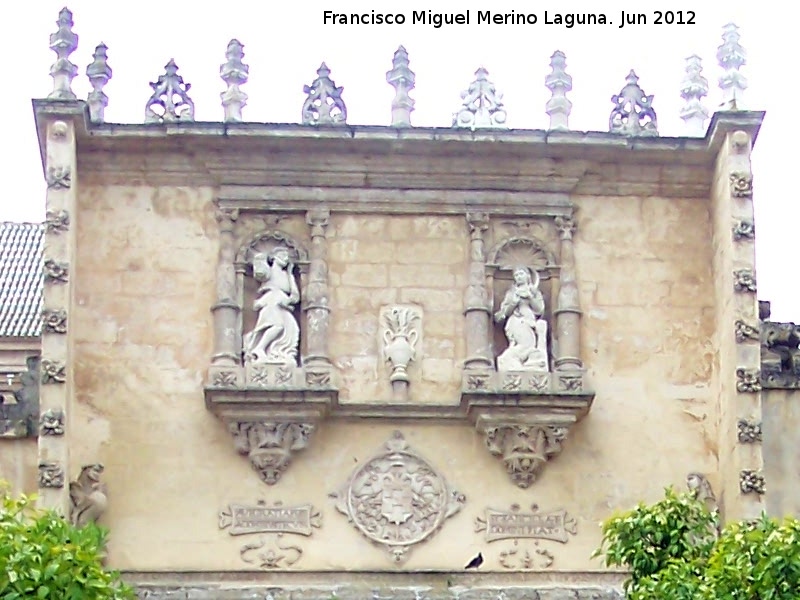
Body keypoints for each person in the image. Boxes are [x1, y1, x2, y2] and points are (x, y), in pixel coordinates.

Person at [243, 246, 300, 364]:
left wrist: (290, 275)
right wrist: (260, 260)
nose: (285, 259)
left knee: (293, 329)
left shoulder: (287, 275)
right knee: (277, 326)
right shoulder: (268, 271)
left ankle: (279, 353)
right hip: (271, 301)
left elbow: (295, 296)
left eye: (286, 257)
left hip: (283, 305)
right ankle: (259, 348)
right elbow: (260, 273)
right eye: (282, 255)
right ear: (274, 257)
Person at [494, 266, 549, 371]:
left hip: (530, 320)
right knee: (525, 344)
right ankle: (507, 359)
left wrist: (530, 297)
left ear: (528, 276)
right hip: (517, 321)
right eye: (516, 275)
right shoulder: (511, 293)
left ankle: (523, 362)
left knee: (531, 344)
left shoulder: (533, 291)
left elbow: (540, 309)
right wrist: (514, 302)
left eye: (521, 274)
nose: (519, 277)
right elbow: (504, 312)